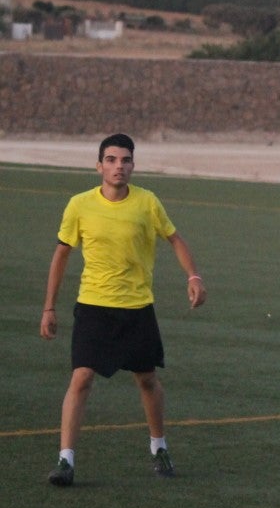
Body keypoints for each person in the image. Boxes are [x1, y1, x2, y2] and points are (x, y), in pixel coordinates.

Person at [40, 133, 207, 486]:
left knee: (146, 379)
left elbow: (174, 238)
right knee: (82, 378)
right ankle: (65, 460)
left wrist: (193, 275)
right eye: (112, 160)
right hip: (93, 307)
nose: (119, 167)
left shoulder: (147, 203)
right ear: (99, 165)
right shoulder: (79, 205)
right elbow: (61, 254)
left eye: (126, 160)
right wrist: (49, 308)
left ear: (133, 165)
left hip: (137, 308)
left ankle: (159, 447)